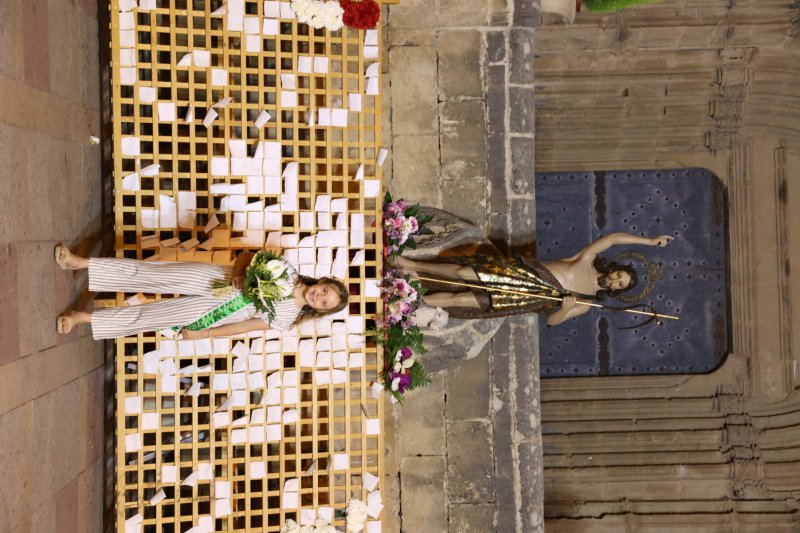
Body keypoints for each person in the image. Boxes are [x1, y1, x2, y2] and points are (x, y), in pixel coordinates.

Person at [54, 245, 349, 340]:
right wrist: (238, 275)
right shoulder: (286, 268)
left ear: (320, 310)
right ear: (321, 281)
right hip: (213, 280)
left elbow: (244, 326)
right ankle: (78, 262)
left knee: (149, 317)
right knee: (148, 274)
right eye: (324, 290)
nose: (319, 297)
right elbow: (246, 257)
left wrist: (201, 335)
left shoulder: (286, 319)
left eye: (324, 303)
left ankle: (83, 318)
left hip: (213, 313)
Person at [394, 232, 673, 326]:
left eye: (619, 284)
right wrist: (648, 241)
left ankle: (411, 303)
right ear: (614, 269)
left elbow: (552, 322)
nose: (614, 281)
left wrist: (564, 308)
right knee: (463, 273)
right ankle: (412, 265)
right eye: (618, 275)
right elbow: (611, 238)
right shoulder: (585, 260)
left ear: (617, 291)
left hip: (521, 299)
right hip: (517, 274)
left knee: (463, 298)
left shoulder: (588, 303)